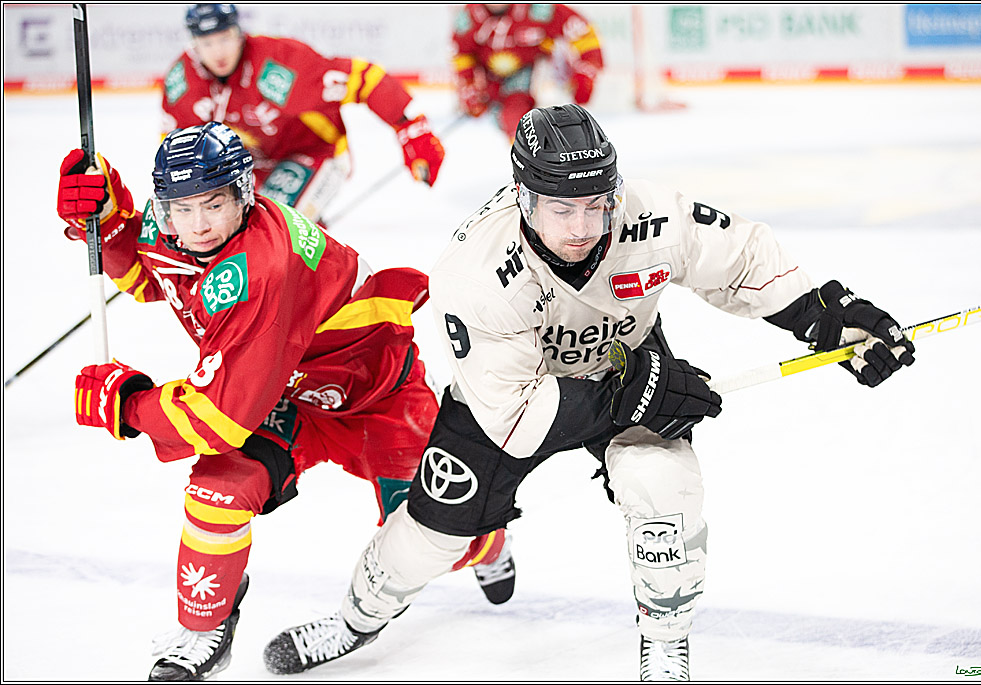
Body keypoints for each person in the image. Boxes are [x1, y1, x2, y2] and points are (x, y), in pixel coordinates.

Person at [259, 104, 917, 680]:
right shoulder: (474, 271)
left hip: (627, 363)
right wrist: (630, 392)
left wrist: (827, 318)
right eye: (562, 208)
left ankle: (665, 647)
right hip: (508, 400)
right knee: (431, 531)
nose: (583, 226)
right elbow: (515, 419)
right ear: (524, 200)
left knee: (665, 492)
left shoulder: (648, 212)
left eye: (597, 204)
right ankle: (357, 618)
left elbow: (741, 259)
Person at [55, 122, 512, 682]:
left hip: (377, 399)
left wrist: (127, 403)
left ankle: (484, 542)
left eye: (213, 205)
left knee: (427, 540)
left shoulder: (262, 270)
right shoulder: (174, 222)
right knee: (219, 488)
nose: (196, 225)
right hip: (286, 395)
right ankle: (204, 628)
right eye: (182, 208)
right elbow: (151, 275)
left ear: (244, 195)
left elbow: (218, 417)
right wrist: (104, 220)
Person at [162, 4, 446, 226]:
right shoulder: (183, 84)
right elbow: (178, 152)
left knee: (271, 226)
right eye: (207, 42)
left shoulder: (280, 63)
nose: (218, 51)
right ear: (193, 44)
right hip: (251, 169)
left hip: (316, 154)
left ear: (239, 33)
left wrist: (413, 129)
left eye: (224, 38)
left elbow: (365, 78)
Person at [452, 3, 603, 139]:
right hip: (496, 83)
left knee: (547, 111)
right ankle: (530, 157)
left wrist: (586, 71)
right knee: (512, 122)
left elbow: (583, 33)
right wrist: (469, 86)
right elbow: (461, 54)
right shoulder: (469, 16)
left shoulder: (537, 9)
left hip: (542, 71)